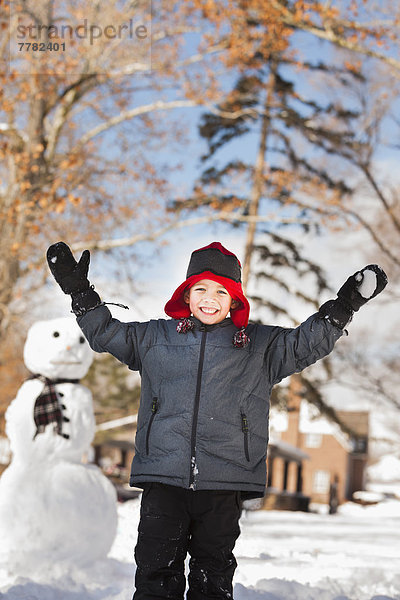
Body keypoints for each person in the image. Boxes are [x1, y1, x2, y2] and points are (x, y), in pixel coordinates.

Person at [46, 240, 387, 600]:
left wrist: (344, 306)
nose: (210, 298)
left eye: (222, 291)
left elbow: (305, 343)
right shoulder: (154, 339)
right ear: (187, 295)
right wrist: (79, 292)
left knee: (213, 574)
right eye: (201, 289)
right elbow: (106, 334)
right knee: (155, 572)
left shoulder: (260, 347)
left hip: (224, 480)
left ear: (235, 300)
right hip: (163, 476)